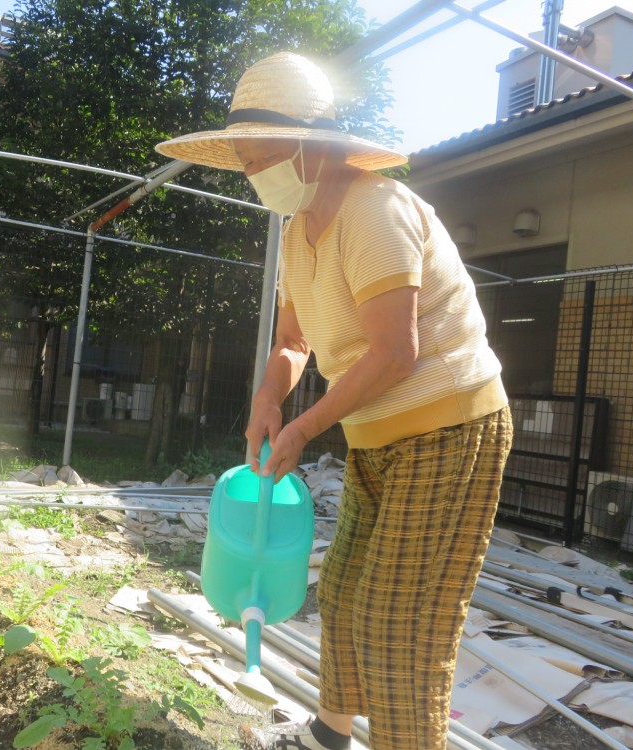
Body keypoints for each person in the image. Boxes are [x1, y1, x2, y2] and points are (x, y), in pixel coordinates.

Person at [156, 51, 513, 750]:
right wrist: (269, 400)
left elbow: (395, 350)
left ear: (310, 147)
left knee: (400, 619)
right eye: (248, 161)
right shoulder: (298, 231)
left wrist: (308, 427)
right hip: (377, 437)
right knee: (346, 592)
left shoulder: (374, 210)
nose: (256, 174)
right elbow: (293, 341)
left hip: (449, 429)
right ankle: (329, 733)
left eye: (263, 157)